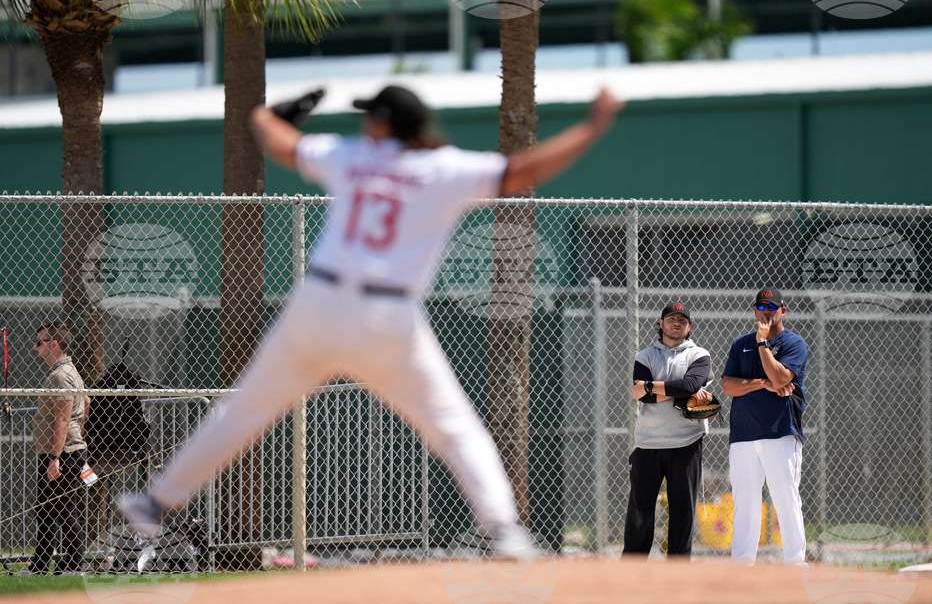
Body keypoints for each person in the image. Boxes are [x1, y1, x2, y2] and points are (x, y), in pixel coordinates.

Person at [120, 83, 624, 558]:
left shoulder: (350, 156)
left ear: (384, 124)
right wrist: (593, 126)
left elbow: (275, 140)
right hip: (389, 314)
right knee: (454, 427)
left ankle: (155, 503)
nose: (365, 126)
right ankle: (504, 531)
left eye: (371, 117)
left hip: (318, 303)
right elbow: (520, 172)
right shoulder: (444, 168)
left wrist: (270, 115)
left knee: (243, 413)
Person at [721, 288, 808, 566]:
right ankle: (742, 565)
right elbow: (727, 385)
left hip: (780, 431)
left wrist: (762, 344)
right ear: (755, 311)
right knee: (745, 500)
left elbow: (781, 378)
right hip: (743, 434)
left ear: (783, 311)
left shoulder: (794, 343)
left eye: (772, 306)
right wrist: (761, 384)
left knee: (785, 497)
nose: (766, 311)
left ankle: (795, 563)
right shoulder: (740, 344)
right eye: (761, 307)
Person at [623, 302, 712, 559]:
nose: (677, 323)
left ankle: (678, 571)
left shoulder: (699, 355)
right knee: (640, 512)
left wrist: (652, 386)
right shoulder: (646, 356)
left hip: (686, 441)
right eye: (672, 319)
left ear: (689, 327)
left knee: (683, 512)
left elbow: (691, 384)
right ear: (661, 324)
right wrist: (680, 390)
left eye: (682, 320)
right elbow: (641, 396)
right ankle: (631, 569)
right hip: (648, 442)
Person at [25, 321, 91, 575]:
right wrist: (77, 435)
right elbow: (85, 401)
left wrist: (55, 457)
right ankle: (40, 567)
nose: (35, 347)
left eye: (40, 342)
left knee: (63, 509)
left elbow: (62, 418)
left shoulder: (60, 375)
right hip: (66, 451)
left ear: (55, 344)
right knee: (48, 511)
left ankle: (75, 565)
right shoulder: (67, 371)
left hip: (62, 455)